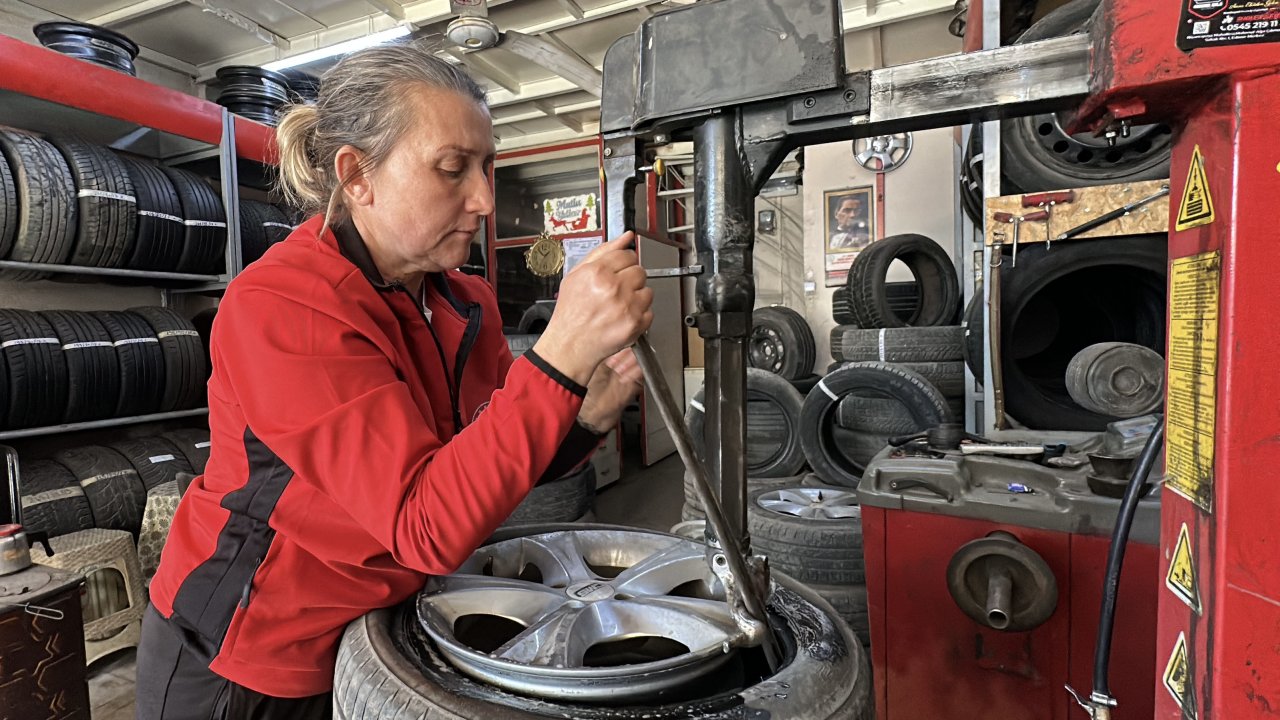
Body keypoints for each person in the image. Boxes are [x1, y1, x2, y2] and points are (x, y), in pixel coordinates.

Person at [135, 44, 653, 720]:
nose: (485, 198)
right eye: (452, 169)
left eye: (488, 166)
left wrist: (585, 417)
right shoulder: (284, 305)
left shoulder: (464, 302)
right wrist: (556, 360)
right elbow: (425, 523)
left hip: (379, 632)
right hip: (247, 655)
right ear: (356, 176)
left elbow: (483, 470)